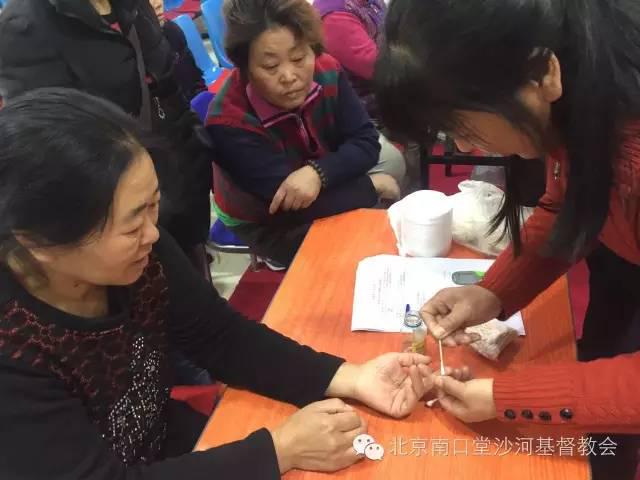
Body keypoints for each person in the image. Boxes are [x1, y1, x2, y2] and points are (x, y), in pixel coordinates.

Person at [0, 88, 445, 480]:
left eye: (153, 207)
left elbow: (220, 336)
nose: (153, 235)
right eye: (132, 222)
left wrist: (351, 377)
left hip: (170, 446)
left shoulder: (139, 256)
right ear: (38, 242)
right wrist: (280, 450)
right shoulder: (15, 349)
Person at [374, 0, 640, 478]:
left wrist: (507, 399)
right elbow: (565, 203)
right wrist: (491, 293)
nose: (458, 145)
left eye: (460, 123)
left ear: (542, 74)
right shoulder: (580, 88)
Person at [0, 0, 212, 274]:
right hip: (118, 199)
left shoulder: (134, 5)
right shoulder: (23, 28)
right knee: (155, 288)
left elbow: (165, 83)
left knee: (195, 280)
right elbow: (51, 139)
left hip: (180, 169)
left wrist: (194, 143)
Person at [206, 0, 403, 268]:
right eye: (270, 67)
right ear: (245, 67)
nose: (289, 76)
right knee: (347, 240)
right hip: (268, 220)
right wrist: (372, 186)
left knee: (392, 164)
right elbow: (286, 207)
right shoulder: (229, 122)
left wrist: (317, 173)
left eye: (299, 58)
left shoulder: (327, 69)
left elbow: (366, 140)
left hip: (313, 173)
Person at [312, 0, 410, 192]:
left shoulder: (368, 3)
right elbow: (376, 67)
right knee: (424, 97)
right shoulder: (334, 16)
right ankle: (410, 190)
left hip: (383, 87)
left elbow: (396, 35)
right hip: (362, 102)